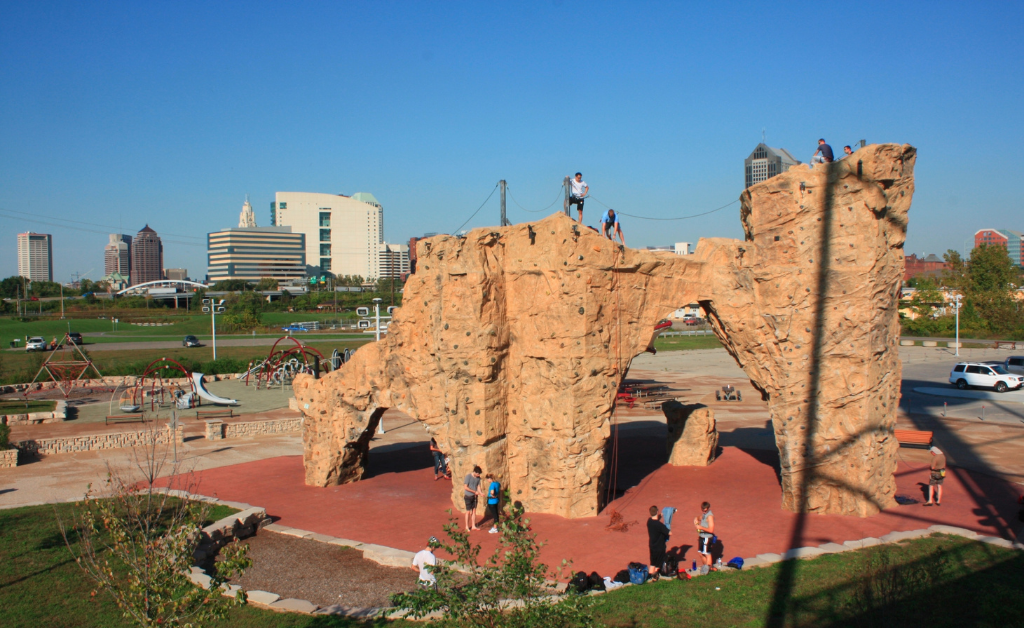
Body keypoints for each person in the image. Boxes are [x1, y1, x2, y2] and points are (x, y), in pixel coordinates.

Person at [646, 505, 670, 578]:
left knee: (652, 563)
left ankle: (649, 576)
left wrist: (660, 515)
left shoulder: (649, 521)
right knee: (658, 563)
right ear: (657, 511)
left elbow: (655, 519)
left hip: (652, 546)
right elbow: (668, 532)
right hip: (660, 547)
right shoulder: (660, 525)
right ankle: (655, 577)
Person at [693, 501, 715, 574]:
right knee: (700, 553)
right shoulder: (704, 514)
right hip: (702, 536)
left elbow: (711, 530)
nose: (703, 510)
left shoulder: (710, 516)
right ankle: (706, 567)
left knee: (707, 554)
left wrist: (700, 527)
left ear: (708, 508)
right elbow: (700, 517)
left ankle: (708, 569)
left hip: (707, 537)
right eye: (702, 509)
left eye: (705, 509)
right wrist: (696, 518)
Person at [463, 465, 484, 531]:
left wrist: (480, 493)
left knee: (474, 511)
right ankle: (466, 526)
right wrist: (474, 492)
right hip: (468, 496)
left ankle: (473, 526)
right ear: (474, 472)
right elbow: (465, 487)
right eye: (477, 474)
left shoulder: (478, 478)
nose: (478, 475)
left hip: (474, 497)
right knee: (468, 511)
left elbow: (478, 486)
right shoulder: (468, 477)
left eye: (479, 474)